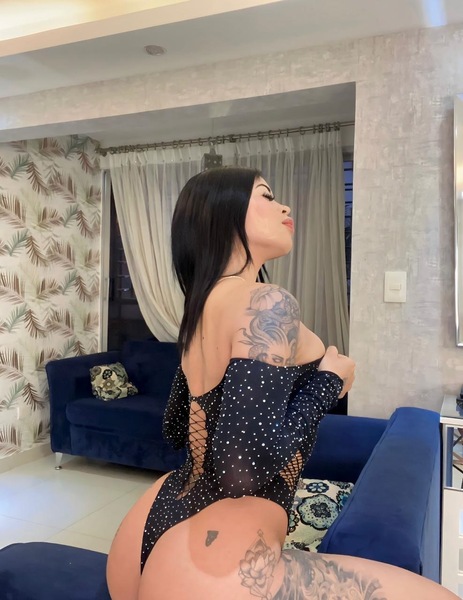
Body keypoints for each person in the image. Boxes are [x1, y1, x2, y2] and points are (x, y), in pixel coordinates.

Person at [107, 167, 457, 600]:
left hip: (150, 525)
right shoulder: (267, 301)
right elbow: (239, 473)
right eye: (266, 196)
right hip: (218, 555)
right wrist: (328, 382)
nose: (284, 206)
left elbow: (177, 428)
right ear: (223, 214)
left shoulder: (200, 308)